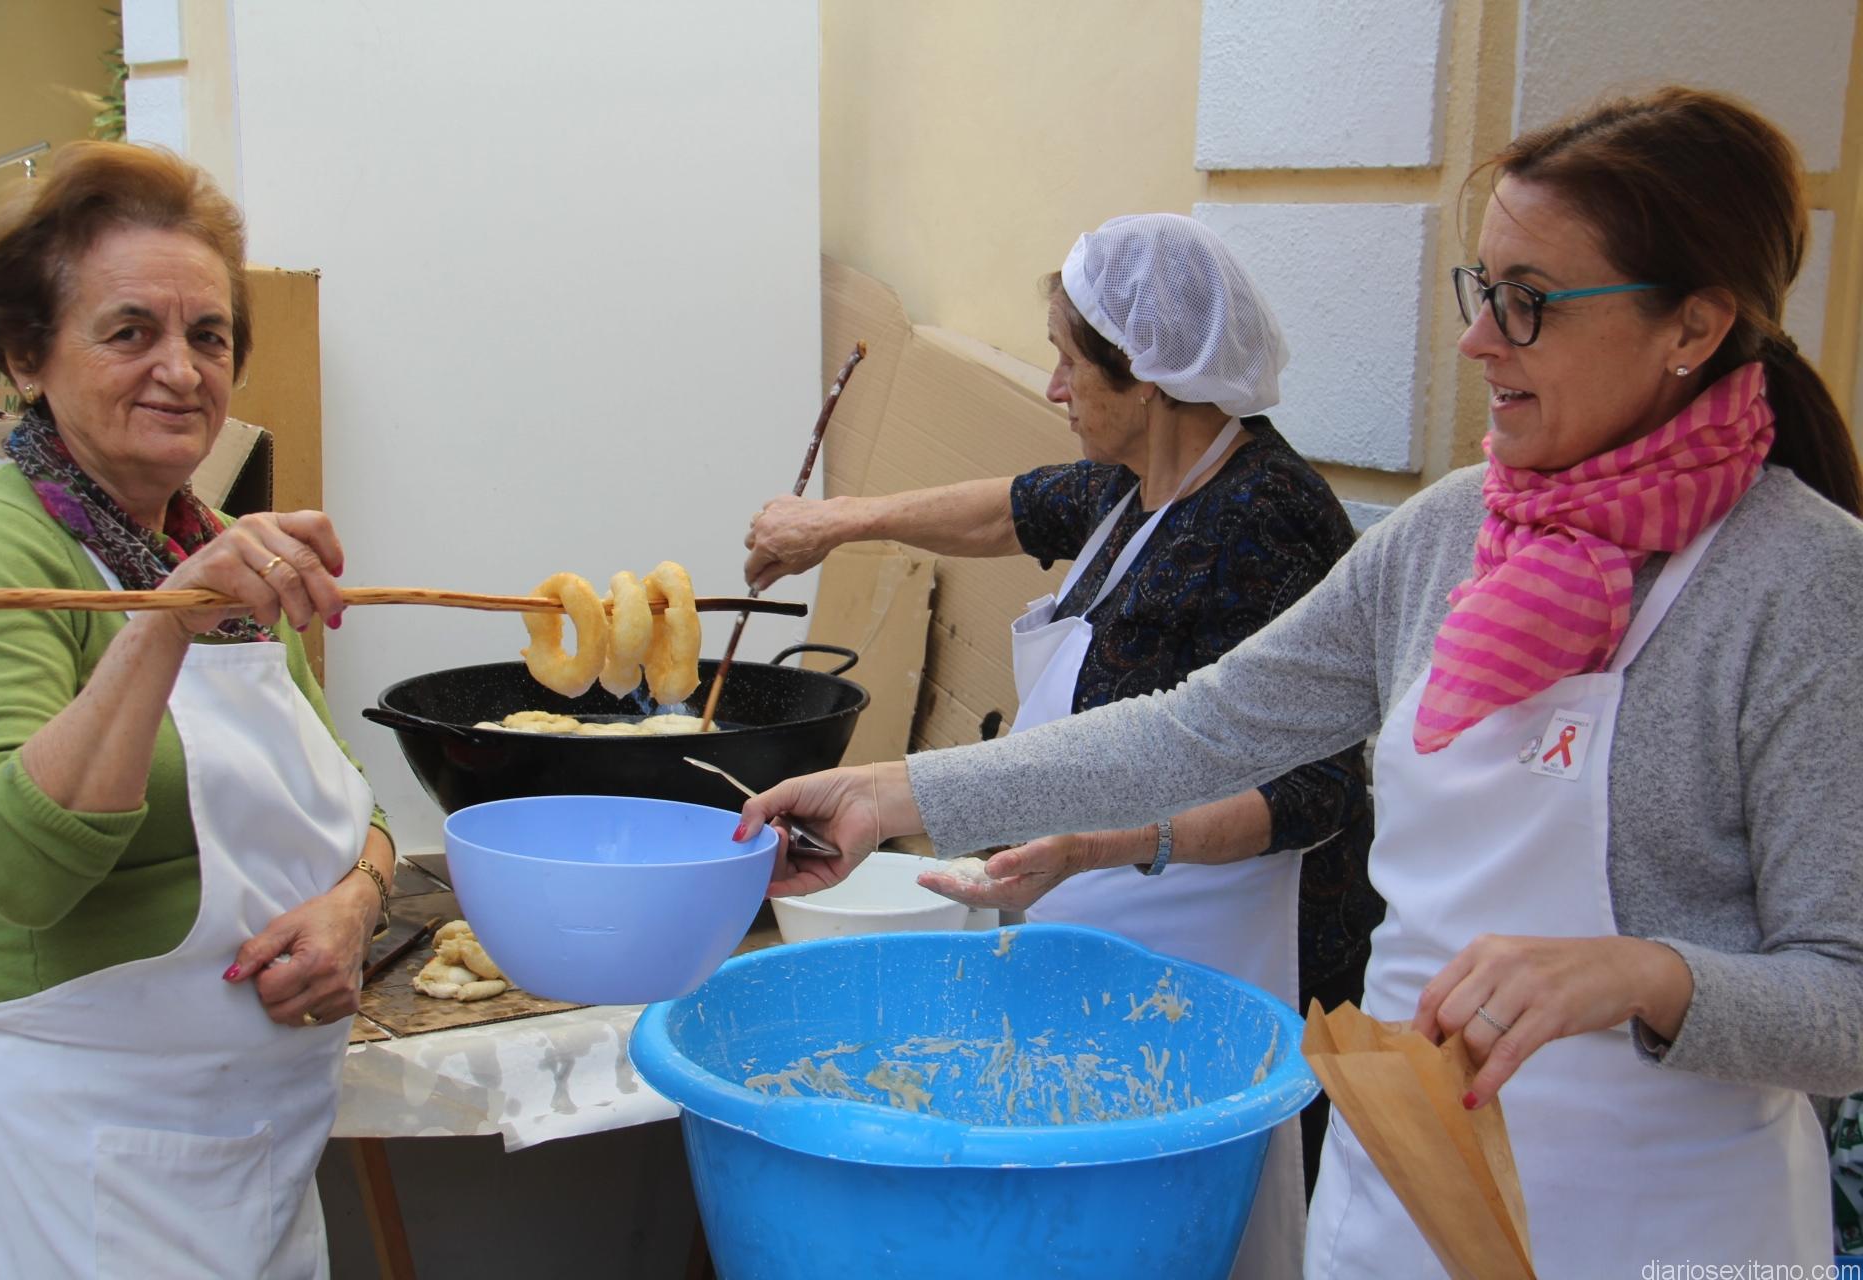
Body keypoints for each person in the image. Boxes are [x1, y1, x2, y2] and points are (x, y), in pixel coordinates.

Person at [737, 88, 1863, 1275]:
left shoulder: (1802, 587)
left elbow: (1844, 1001)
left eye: (1529, 302)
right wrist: (887, 793)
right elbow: (1199, 729)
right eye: (1481, 289)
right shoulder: (1447, 536)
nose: (1478, 342)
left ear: (1693, 325)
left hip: (1666, 1228)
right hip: (1403, 1207)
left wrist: (1646, 973)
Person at [745, 212, 1381, 1272]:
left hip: (1234, 957)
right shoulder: (1132, 488)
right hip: (1099, 919)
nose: (1050, 387)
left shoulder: (1264, 520)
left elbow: (1317, 790)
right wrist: (840, 522)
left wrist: (1111, 844)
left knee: (1204, 1224)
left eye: (1068, 361)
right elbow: (1005, 510)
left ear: (1151, 376)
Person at [0, 142, 394, 1277]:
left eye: (209, 335)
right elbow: (15, 870)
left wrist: (354, 904)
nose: (182, 371)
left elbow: (354, 803)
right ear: (27, 354)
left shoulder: (213, 543)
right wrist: (165, 622)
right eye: (129, 331)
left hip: (258, 1153)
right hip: (80, 1154)